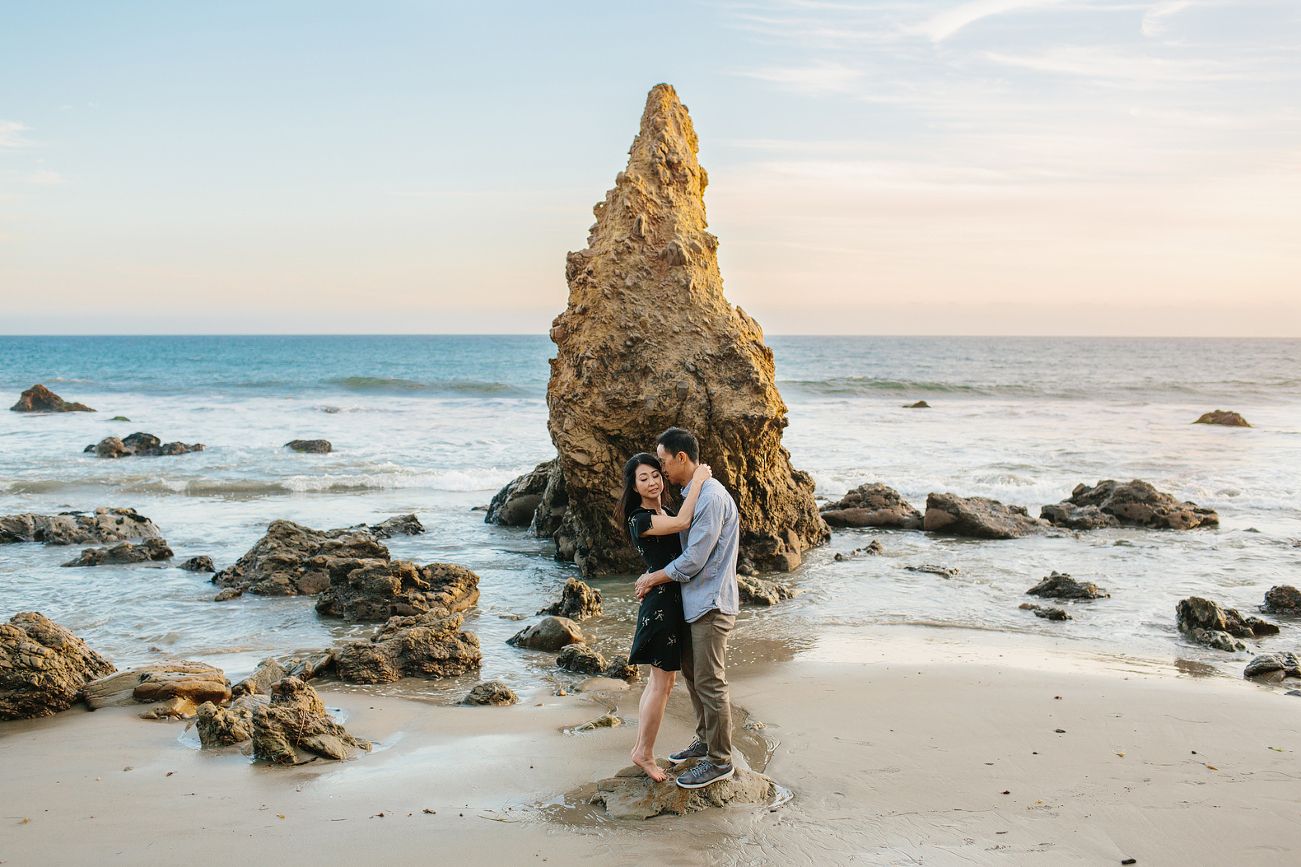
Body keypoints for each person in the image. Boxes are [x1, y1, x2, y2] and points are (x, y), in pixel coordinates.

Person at [635, 427, 740, 789]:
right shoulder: (695, 494)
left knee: (711, 683)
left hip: (711, 602)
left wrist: (653, 578)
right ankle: (705, 741)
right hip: (695, 603)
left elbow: (693, 559)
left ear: (682, 458)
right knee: (695, 678)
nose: (661, 471)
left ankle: (720, 760)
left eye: (662, 463)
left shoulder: (711, 497)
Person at [615, 452, 713, 782]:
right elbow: (684, 524)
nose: (653, 482)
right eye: (643, 478)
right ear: (634, 486)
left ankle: (643, 748)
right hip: (660, 605)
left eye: (656, 475)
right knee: (661, 684)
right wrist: (698, 480)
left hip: (671, 600)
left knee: (663, 683)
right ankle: (643, 752)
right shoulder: (640, 519)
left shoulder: (664, 511)